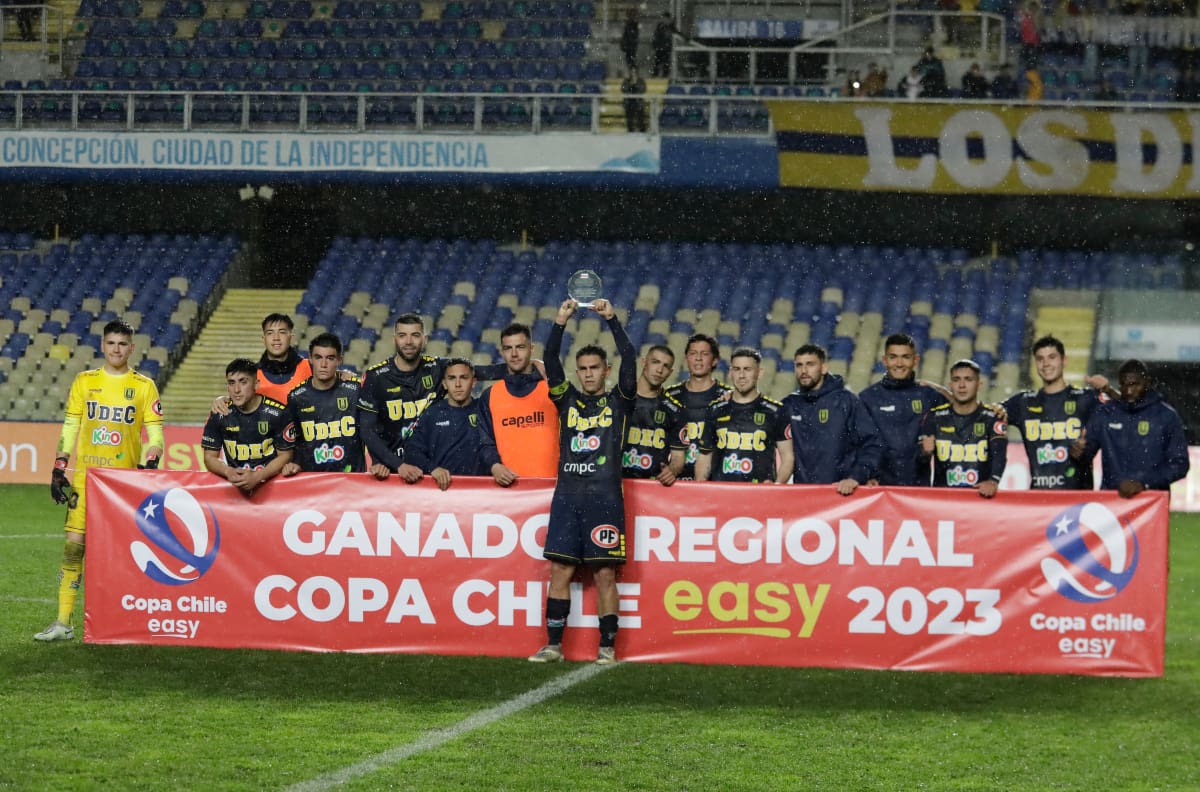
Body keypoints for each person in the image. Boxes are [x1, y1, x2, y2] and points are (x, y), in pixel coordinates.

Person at [35, 319, 164, 642]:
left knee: (123, 553)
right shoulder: (84, 382)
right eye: (111, 343)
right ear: (102, 345)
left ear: (131, 348)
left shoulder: (145, 386)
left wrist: (151, 460)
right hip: (86, 479)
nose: (116, 349)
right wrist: (59, 466)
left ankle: (128, 621)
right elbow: (70, 426)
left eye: (123, 344)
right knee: (73, 547)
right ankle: (63, 621)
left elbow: (156, 434)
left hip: (122, 485)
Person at [529, 298, 637, 665]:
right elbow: (550, 359)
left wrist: (612, 319)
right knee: (560, 570)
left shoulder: (620, 400)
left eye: (595, 368)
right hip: (568, 497)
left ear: (607, 370)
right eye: (583, 369)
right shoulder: (566, 399)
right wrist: (560, 321)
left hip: (605, 499)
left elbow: (631, 359)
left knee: (605, 573)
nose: (589, 374)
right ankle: (553, 646)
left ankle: (607, 648)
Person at [358, 312, 504, 482]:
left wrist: (528, 367)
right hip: (392, 470)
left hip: (430, 469)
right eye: (402, 335)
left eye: (415, 335)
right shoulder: (376, 377)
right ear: (394, 340)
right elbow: (367, 431)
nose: (409, 342)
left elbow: (479, 371)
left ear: (425, 340)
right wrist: (397, 464)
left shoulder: (437, 368)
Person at [1002, 335, 1113, 490]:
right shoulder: (1023, 403)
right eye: (1040, 359)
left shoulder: (1086, 399)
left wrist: (1109, 390)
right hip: (1040, 500)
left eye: (1052, 357)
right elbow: (986, 415)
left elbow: (1128, 411)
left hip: (1078, 501)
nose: (1046, 363)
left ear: (1064, 361)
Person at [1073, 359, 1190, 498]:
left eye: (1134, 385)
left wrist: (1144, 483)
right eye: (1124, 385)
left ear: (1148, 382)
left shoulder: (1166, 417)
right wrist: (1079, 452)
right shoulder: (1105, 414)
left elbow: (1179, 464)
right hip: (1112, 504)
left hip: (1150, 505)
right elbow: (1085, 456)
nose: (1128, 391)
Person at [279, 333, 388, 478]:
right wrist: (296, 463)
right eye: (318, 357)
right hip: (313, 482)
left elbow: (374, 431)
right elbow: (297, 441)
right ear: (310, 359)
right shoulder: (296, 397)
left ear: (339, 360)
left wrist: (378, 461)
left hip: (351, 482)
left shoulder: (356, 391)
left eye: (330, 358)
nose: (323, 365)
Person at [782, 344, 883, 494]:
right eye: (799, 365)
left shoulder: (846, 401)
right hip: (802, 495)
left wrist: (856, 477)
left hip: (840, 495)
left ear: (823, 368)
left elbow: (873, 444)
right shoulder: (789, 405)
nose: (804, 371)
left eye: (810, 364)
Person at [858, 333, 949, 486]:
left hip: (918, 489)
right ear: (884, 360)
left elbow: (963, 409)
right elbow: (858, 444)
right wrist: (865, 475)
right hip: (879, 488)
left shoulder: (928, 395)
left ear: (916, 360)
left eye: (906, 357)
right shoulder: (868, 398)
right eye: (893, 357)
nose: (899, 363)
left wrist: (940, 389)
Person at [694, 348, 793, 484]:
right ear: (730, 372)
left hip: (759, 496)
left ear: (759, 373)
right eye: (736, 369)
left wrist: (777, 485)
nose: (741, 375)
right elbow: (705, 455)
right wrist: (700, 486)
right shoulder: (715, 409)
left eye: (747, 369)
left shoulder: (776, 411)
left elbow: (787, 456)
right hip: (722, 495)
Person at [479, 322, 560, 486]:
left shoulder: (553, 390)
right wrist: (494, 465)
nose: (514, 354)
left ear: (532, 349)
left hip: (551, 490)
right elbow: (485, 442)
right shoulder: (490, 395)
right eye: (508, 348)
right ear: (502, 352)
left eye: (520, 347)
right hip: (508, 493)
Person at [201, 358, 294, 494]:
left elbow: (286, 455)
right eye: (231, 383)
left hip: (273, 491)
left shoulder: (278, 413)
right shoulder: (220, 413)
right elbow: (209, 457)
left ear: (256, 384)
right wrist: (228, 471)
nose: (236, 390)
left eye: (243, 382)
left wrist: (258, 476)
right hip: (235, 492)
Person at [919, 359, 1007, 496]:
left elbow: (999, 455)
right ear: (950, 385)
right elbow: (920, 461)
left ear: (979, 384)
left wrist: (993, 481)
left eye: (968, 379)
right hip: (944, 502)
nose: (962, 385)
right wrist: (924, 452)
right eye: (956, 379)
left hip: (979, 501)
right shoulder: (935, 417)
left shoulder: (993, 417)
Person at [404, 358, 494, 490]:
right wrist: (433, 469)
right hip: (443, 493)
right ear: (444, 384)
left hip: (479, 492)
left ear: (474, 382)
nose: (458, 384)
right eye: (452, 378)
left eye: (464, 377)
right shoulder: (432, 414)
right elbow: (412, 452)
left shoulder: (484, 410)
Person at [665, 333, 731, 480]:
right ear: (686, 358)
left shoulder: (727, 398)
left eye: (704, 354)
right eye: (693, 353)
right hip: (675, 482)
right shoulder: (669, 397)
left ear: (714, 360)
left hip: (713, 483)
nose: (698, 358)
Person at [622, 344, 685, 485]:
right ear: (644, 362)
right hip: (616, 484)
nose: (659, 370)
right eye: (655, 362)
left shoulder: (674, 409)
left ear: (671, 372)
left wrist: (672, 470)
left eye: (666, 366)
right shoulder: (619, 400)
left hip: (653, 487)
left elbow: (678, 457)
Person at [651, 12, 680, 78]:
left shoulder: (671, 27)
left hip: (666, 49)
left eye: (665, 18)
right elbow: (655, 37)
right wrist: (654, 46)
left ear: (668, 19)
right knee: (657, 64)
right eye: (663, 18)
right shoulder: (660, 26)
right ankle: (655, 77)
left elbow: (678, 33)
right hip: (660, 49)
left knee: (666, 64)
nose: (664, 20)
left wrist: (686, 38)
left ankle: (664, 77)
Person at [622, 67, 647, 133]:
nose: (633, 73)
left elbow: (643, 90)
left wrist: (636, 84)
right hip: (629, 102)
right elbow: (623, 89)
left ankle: (642, 130)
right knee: (629, 117)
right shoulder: (626, 81)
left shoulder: (640, 81)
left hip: (638, 102)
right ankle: (630, 130)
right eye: (632, 71)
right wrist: (630, 84)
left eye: (634, 72)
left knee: (640, 116)